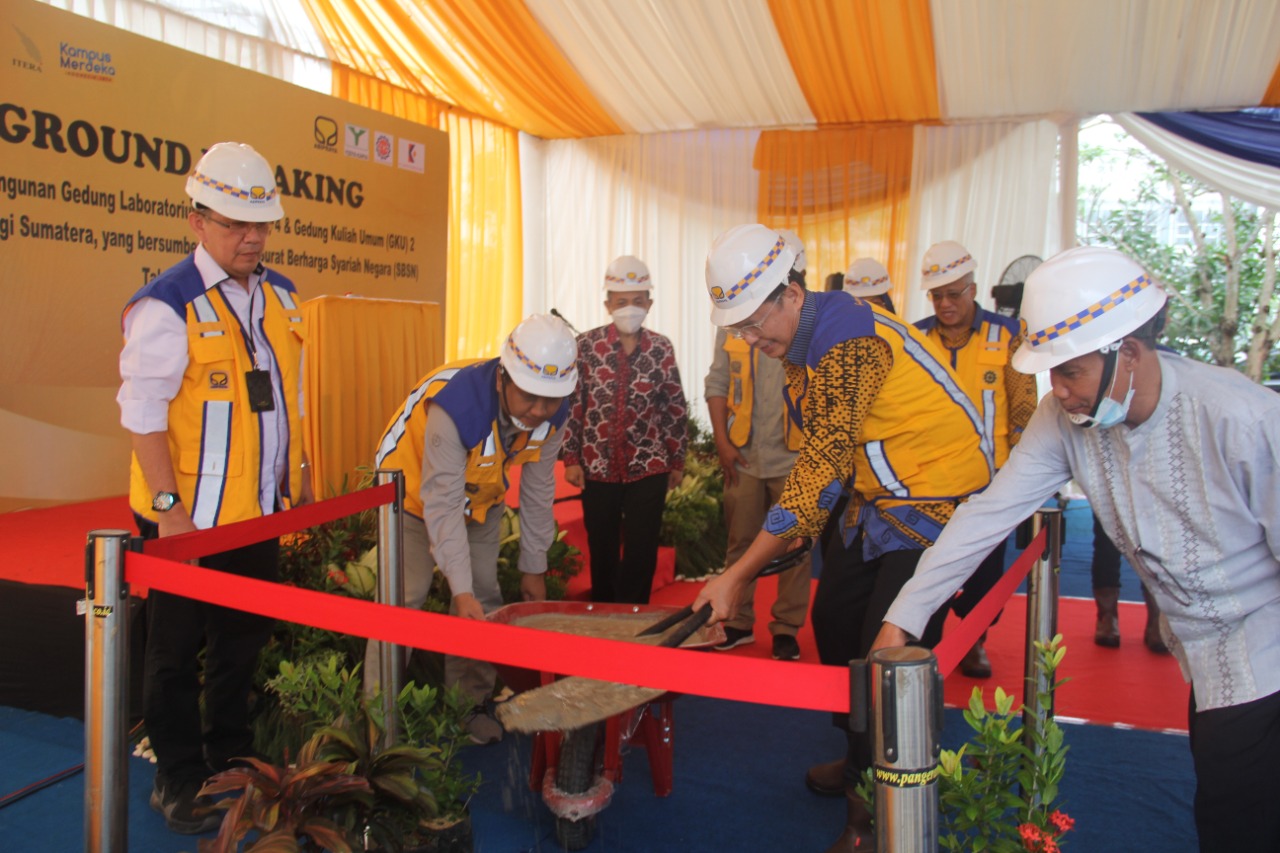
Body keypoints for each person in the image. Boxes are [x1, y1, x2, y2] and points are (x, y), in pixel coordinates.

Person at [874, 245, 1280, 853]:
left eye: (1071, 372)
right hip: (1197, 651)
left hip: (1263, 644)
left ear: (1131, 354)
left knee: (1233, 816)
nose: (1059, 391)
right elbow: (987, 514)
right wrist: (902, 618)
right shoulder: (1063, 420)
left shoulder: (1242, 419)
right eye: (1051, 375)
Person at [693, 224, 991, 852]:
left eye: (752, 324)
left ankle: (878, 810)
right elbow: (823, 472)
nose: (749, 340)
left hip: (938, 498)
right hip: (879, 500)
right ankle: (861, 764)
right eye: (737, 330)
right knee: (832, 621)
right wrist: (788, 539)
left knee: (885, 655)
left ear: (791, 293)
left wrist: (737, 575)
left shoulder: (846, 339)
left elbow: (818, 469)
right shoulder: (800, 344)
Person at [117, 142, 312, 834]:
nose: (252, 236)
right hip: (186, 525)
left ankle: (230, 754)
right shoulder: (165, 306)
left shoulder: (283, 294)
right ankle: (176, 774)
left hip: (257, 519)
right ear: (197, 219)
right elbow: (141, 416)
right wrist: (169, 512)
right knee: (172, 655)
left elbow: (286, 399)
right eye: (234, 222)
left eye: (261, 223)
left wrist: (298, 480)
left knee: (240, 643)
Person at [365, 314, 578, 744]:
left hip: (482, 494)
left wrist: (533, 568)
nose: (538, 411)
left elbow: (538, 491)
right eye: (529, 398)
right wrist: (456, 588)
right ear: (503, 378)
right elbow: (440, 502)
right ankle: (377, 723)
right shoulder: (455, 405)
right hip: (407, 495)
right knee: (404, 600)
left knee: (484, 596)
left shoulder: (557, 409)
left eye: (548, 401)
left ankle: (469, 706)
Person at [914, 240, 1039, 677]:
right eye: (937, 296)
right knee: (924, 570)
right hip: (926, 484)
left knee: (985, 577)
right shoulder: (914, 338)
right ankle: (924, 650)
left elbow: (1024, 409)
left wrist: (1022, 480)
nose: (945, 304)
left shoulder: (1008, 336)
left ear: (974, 289)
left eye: (954, 293)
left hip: (991, 485)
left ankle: (973, 639)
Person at [704, 232, 811, 661]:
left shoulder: (804, 322)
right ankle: (738, 621)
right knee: (740, 541)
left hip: (794, 455)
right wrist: (721, 442)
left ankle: (786, 628)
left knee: (796, 547)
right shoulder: (734, 321)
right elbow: (716, 382)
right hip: (744, 454)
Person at [563, 256, 688, 604]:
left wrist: (676, 460)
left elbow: (674, 406)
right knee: (601, 545)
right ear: (607, 304)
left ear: (649, 302)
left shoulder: (661, 347)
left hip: (649, 466)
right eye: (621, 302)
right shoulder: (586, 346)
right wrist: (571, 457)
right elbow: (574, 404)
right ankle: (604, 613)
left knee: (641, 548)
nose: (629, 308)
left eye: (637, 300)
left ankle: (633, 615)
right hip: (597, 465)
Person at [1092, 500, 1169, 653]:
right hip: (1109, 482)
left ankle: (1157, 620)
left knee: (1153, 544)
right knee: (1107, 542)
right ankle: (1107, 618)